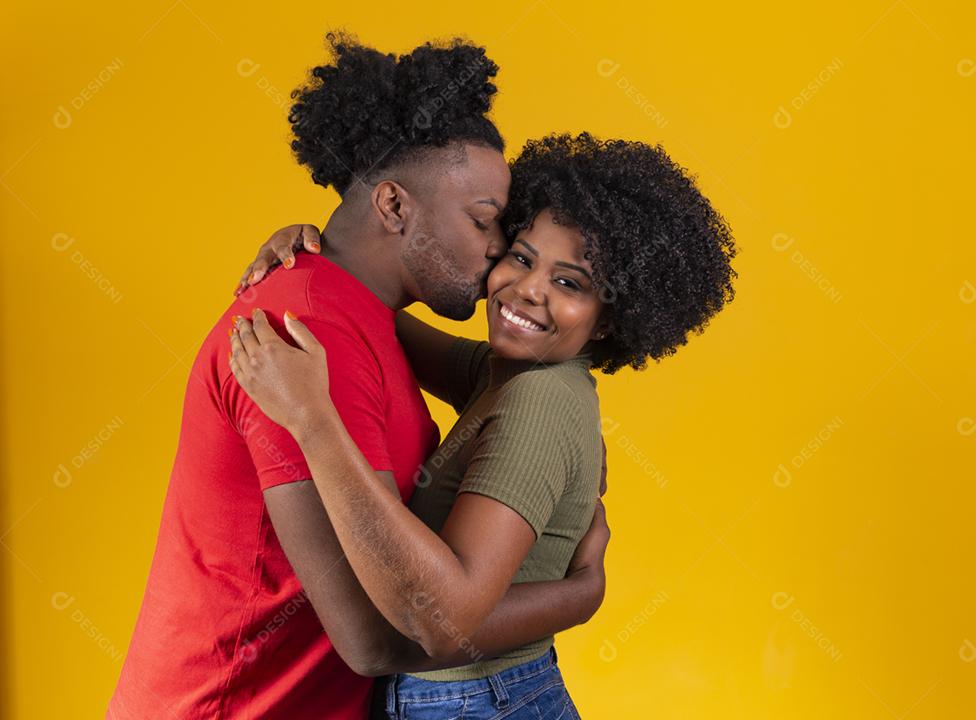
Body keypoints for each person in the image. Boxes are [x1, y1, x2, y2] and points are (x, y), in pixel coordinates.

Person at [107, 35, 610, 720]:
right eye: (487, 223)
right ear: (396, 207)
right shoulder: (307, 341)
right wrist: (576, 597)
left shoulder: (359, 315)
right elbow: (378, 640)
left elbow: (515, 402)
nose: (498, 255)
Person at [228, 131, 738, 718]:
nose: (527, 290)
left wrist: (312, 420)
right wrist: (317, 251)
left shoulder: (539, 401)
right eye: (521, 257)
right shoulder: (508, 375)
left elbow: (443, 624)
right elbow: (375, 311)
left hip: (478, 702)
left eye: (569, 283)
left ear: (606, 323)